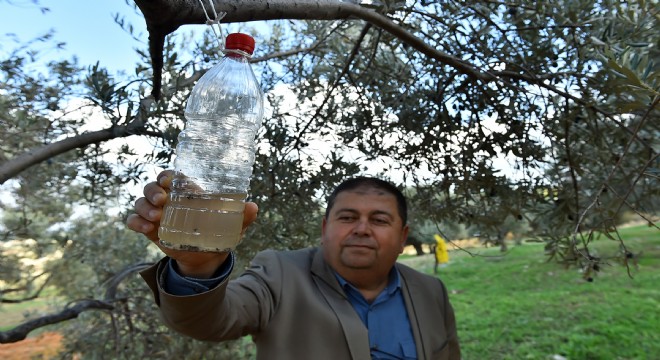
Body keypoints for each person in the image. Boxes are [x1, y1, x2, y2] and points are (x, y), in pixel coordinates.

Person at [127, 171, 461, 360]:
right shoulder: (279, 273)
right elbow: (210, 321)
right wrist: (198, 268)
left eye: (379, 219)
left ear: (403, 236)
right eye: (347, 217)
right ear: (324, 228)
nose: (361, 229)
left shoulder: (430, 291)